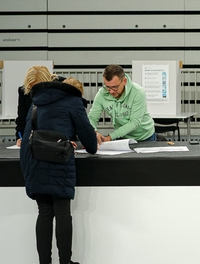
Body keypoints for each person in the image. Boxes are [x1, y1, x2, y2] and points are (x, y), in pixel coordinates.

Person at [20, 77, 97, 264]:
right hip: (59, 162)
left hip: (36, 162)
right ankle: (65, 261)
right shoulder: (73, 102)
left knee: (44, 211)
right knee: (62, 212)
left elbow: (27, 137)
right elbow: (90, 142)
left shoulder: (36, 102)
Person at [88, 64, 156, 143]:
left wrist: (111, 137)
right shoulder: (102, 94)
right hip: (121, 137)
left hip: (145, 137)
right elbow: (92, 117)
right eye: (108, 87)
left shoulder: (138, 92)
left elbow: (134, 122)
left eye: (115, 87)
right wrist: (94, 132)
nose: (111, 91)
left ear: (124, 81)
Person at [15, 66, 63, 146]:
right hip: (35, 138)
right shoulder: (24, 91)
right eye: (32, 87)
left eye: (38, 87)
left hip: (58, 135)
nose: (36, 90)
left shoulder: (61, 87)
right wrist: (20, 137)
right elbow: (22, 118)